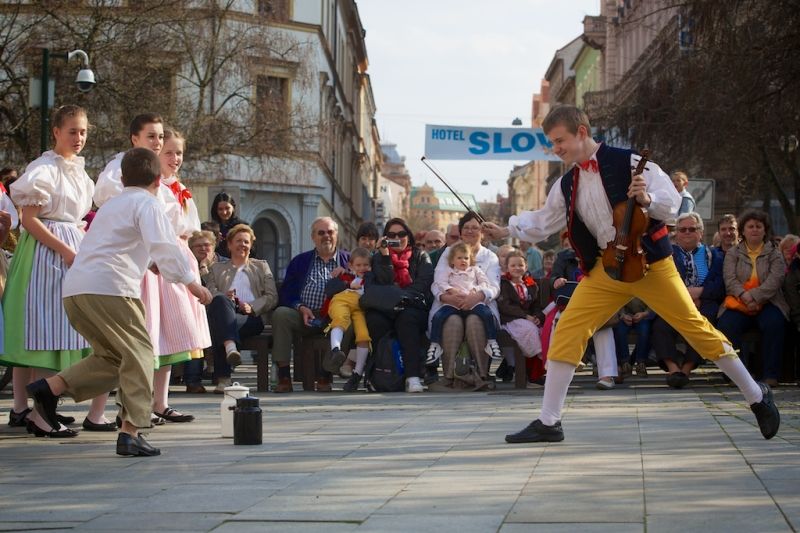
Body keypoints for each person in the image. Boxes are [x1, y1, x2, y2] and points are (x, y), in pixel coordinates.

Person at [482, 105, 779, 443]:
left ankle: (757, 396)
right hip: (607, 268)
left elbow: (671, 203)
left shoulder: (630, 162)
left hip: (651, 264)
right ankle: (549, 422)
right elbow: (544, 220)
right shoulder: (567, 184)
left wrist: (647, 197)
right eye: (551, 143)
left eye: (559, 140)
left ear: (581, 132)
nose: (556, 149)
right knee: (569, 330)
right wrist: (505, 229)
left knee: (696, 329)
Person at [25, 147, 212, 456]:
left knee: (115, 359)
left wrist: (150, 263)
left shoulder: (113, 205)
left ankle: (51, 387)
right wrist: (192, 284)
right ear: (157, 179)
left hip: (76, 291)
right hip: (111, 289)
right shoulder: (148, 204)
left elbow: (120, 244)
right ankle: (131, 432)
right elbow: (165, 247)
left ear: (123, 179)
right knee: (140, 355)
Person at [1, 105, 111, 436]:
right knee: (41, 329)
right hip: (45, 254)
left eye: (84, 132)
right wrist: (65, 249)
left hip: (69, 247)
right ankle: (36, 413)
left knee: (56, 329)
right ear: (56, 132)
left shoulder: (78, 171)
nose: (79, 138)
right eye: (73, 131)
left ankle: (38, 408)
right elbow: (30, 220)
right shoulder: (43, 169)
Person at [272, 217, 350, 392]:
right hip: (304, 315)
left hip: (334, 318)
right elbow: (287, 292)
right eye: (321, 233)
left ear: (337, 235)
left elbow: (362, 285)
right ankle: (284, 376)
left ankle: (325, 375)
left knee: (349, 322)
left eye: (330, 232)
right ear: (313, 237)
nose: (326, 236)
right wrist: (300, 306)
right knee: (281, 314)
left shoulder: (348, 260)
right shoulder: (300, 261)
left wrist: (349, 276)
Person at [651, 212, 725, 388]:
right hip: (674, 303)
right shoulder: (667, 256)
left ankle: (686, 369)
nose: (687, 233)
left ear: (700, 232)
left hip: (704, 303)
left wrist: (701, 292)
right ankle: (673, 368)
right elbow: (662, 282)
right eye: (682, 229)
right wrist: (685, 297)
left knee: (704, 323)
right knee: (660, 326)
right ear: (676, 233)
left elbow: (720, 284)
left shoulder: (714, 255)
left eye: (692, 229)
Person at [717, 210, 789, 388]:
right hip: (739, 301)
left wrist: (755, 296)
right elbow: (730, 279)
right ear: (743, 231)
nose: (754, 230)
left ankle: (770, 374)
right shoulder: (733, 253)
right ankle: (739, 375)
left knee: (775, 323)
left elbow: (776, 280)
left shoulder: (774, 253)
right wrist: (744, 295)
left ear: (765, 230)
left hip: (769, 302)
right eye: (750, 226)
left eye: (759, 226)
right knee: (727, 324)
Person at [429, 212, 501, 390]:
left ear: (482, 232)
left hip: (479, 304)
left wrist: (477, 296)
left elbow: (494, 287)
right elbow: (437, 283)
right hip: (450, 303)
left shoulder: (490, 257)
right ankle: (448, 376)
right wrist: (447, 297)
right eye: (466, 228)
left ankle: (482, 374)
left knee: (475, 321)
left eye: (475, 228)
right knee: (452, 321)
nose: (470, 231)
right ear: (460, 232)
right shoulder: (448, 252)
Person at [204, 224, 278, 392]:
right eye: (238, 241)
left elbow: (272, 296)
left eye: (246, 242)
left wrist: (252, 307)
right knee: (220, 303)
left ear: (251, 246)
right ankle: (230, 347)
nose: (242, 245)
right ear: (229, 245)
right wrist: (225, 297)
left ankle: (223, 378)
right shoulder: (217, 268)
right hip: (225, 310)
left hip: (252, 317)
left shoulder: (261, 266)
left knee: (220, 326)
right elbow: (210, 292)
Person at [367, 218, 433, 392]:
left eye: (402, 234)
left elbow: (422, 284)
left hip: (413, 307)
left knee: (406, 319)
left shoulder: (420, 256)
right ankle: (377, 376)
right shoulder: (379, 258)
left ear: (409, 236)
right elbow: (383, 282)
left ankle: (413, 377)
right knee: (374, 320)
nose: (398, 238)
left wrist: (399, 297)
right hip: (386, 308)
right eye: (392, 235)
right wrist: (385, 257)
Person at [426, 242, 502, 366]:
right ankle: (435, 344)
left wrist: (475, 291)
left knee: (487, 314)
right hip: (453, 303)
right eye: (459, 258)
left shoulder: (475, 270)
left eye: (466, 258)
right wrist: (451, 290)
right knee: (438, 316)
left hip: (472, 301)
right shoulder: (449, 271)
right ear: (452, 260)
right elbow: (440, 283)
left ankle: (491, 341)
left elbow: (485, 282)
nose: (463, 261)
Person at [322, 247, 372, 392]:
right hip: (341, 301)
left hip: (358, 308)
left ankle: (357, 373)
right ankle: (336, 349)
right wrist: (348, 284)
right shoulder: (345, 276)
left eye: (365, 265)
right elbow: (330, 289)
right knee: (341, 319)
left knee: (363, 334)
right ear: (351, 266)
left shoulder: (370, 280)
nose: (362, 268)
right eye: (358, 265)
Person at [94, 113, 165, 208]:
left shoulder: (156, 170)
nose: (158, 142)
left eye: (161, 137)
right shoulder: (118, 167)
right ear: (135, 139)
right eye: (151, 136)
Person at [497, 249, 544, 363]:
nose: (517, 268)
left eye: (520, 265)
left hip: (528, 318)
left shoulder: (531, 285)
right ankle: (541, 355)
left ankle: (547, 357)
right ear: (507, 268)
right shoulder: (504, 284)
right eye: (513, 265)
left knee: (543, 329)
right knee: (529, 329)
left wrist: (537, 316)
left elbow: (536, 305)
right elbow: (505, 306)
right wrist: (525, 316)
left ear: (526, 267)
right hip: (511, 319)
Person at [613, 298, 655, 380]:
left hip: (644, 316)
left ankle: (641, 362)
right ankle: (625, 363)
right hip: (624, 315)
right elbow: (617, 300)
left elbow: (654, 301)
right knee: (620, 331)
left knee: (645, 331)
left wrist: (645, 313)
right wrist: (623, 315)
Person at [210, 192, 245, 258]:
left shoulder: (242, 227)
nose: (224, 212)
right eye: (220, 209)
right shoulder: (210, 228)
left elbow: (252, 250)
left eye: (227, 208)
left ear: (233, 208)